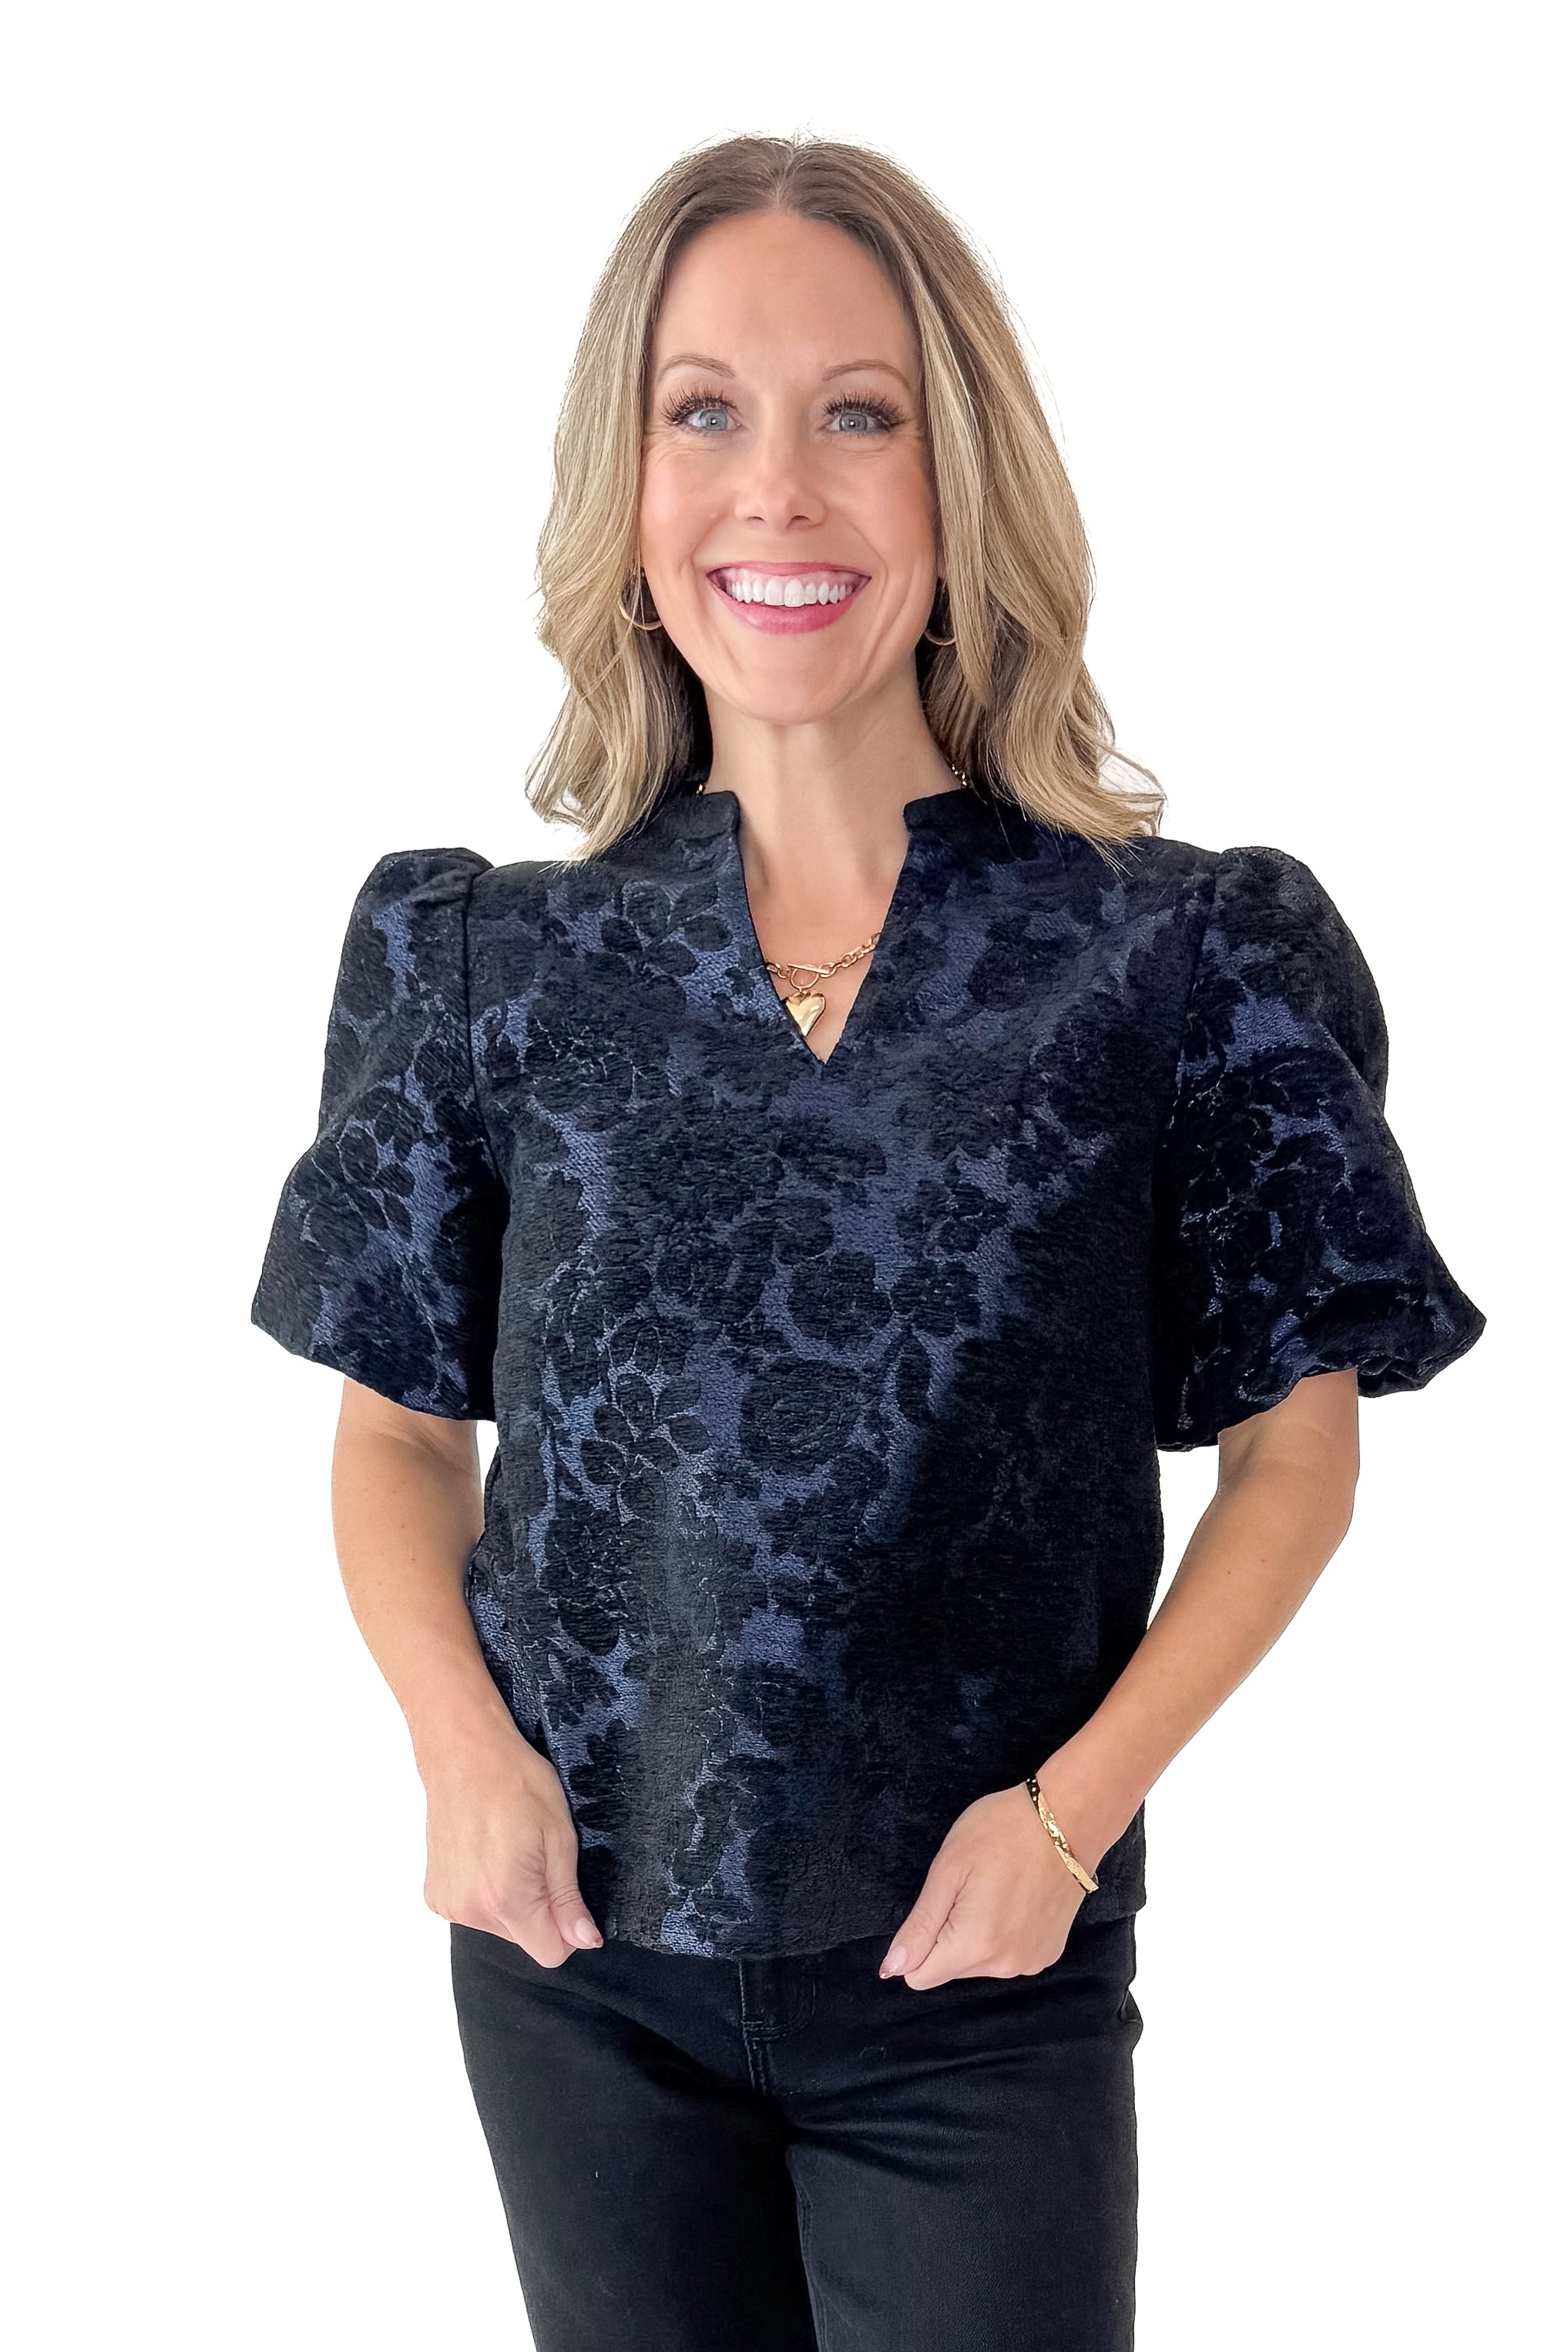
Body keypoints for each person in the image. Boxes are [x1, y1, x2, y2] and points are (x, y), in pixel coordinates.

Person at [250, 133, 1486, 2352]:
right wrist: (457, 1750)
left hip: (980, 1969)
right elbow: (400, 1435)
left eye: (857, 413)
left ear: (958, 474)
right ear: (627, 484)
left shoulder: (1175, 958)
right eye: (703, 410)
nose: (778, 491)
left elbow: (1295, 1455)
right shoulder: (483, 958)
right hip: (572, 1968)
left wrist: (1069, 1820)